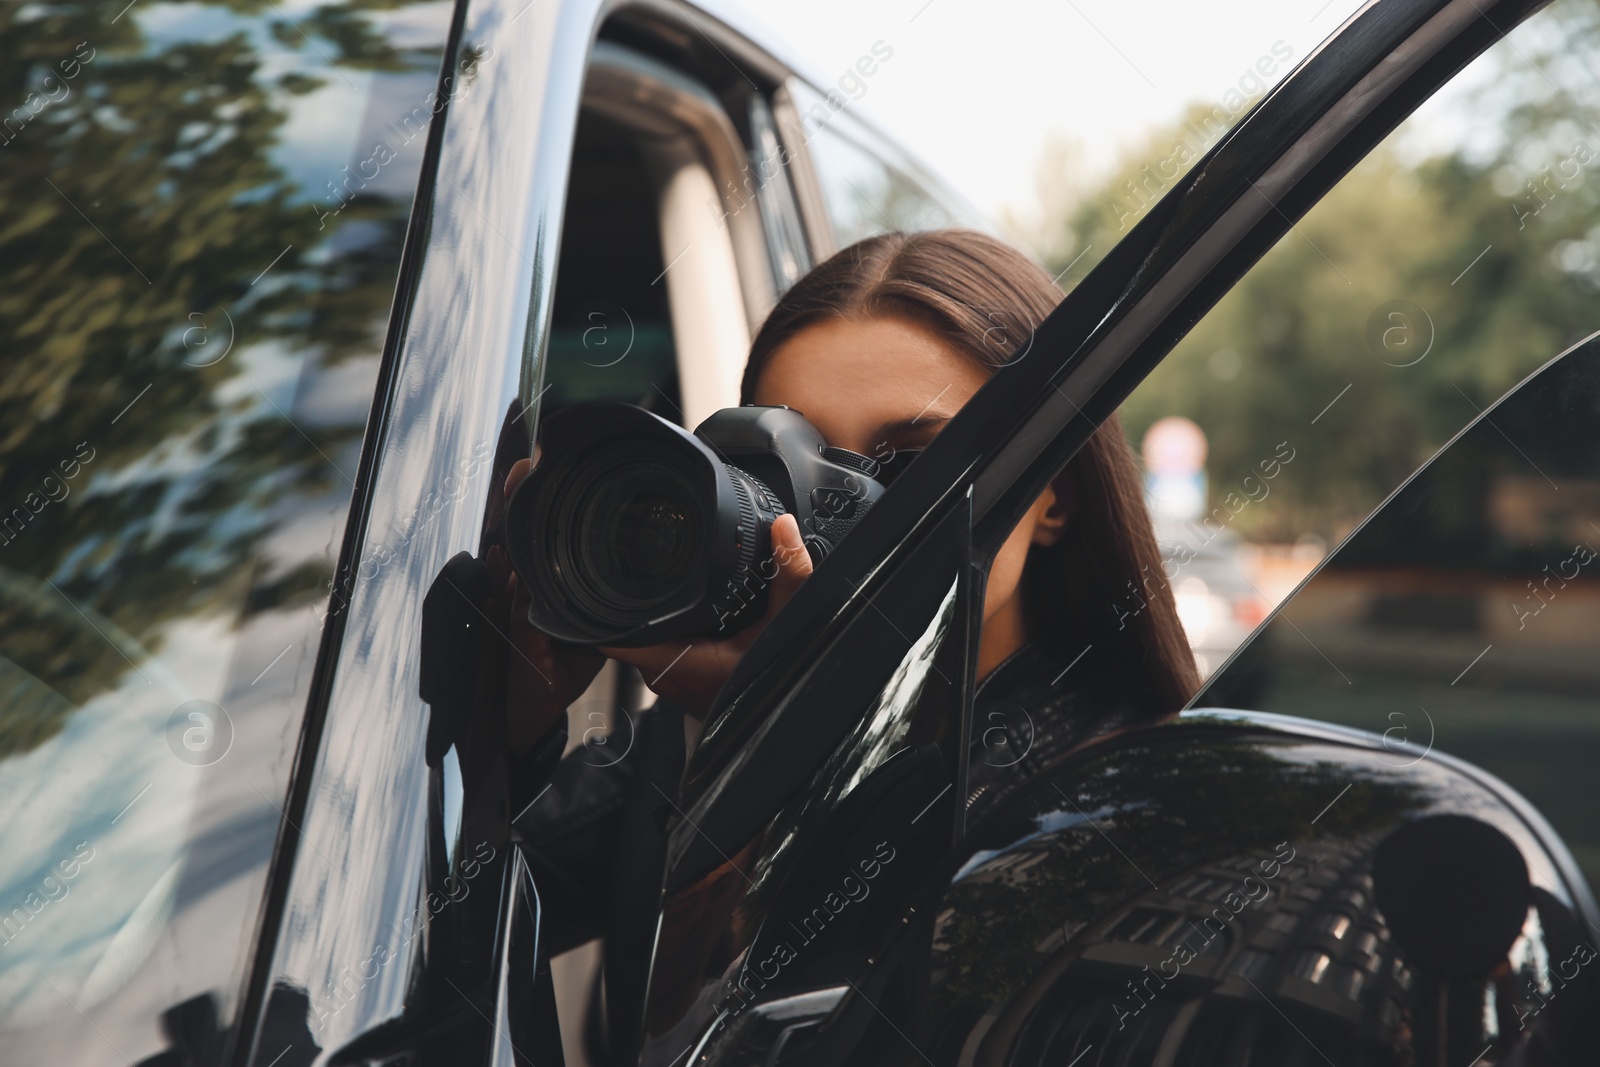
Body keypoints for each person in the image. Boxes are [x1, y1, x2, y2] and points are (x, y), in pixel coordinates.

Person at [503, 226, 1197, 958]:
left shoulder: (1121, 798)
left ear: (1054, 493)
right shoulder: (689, 737)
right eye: (789, 463)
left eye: (912, 465)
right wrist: (509, 738)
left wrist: (788, 753)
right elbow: (420, 958)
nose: (844, 509)